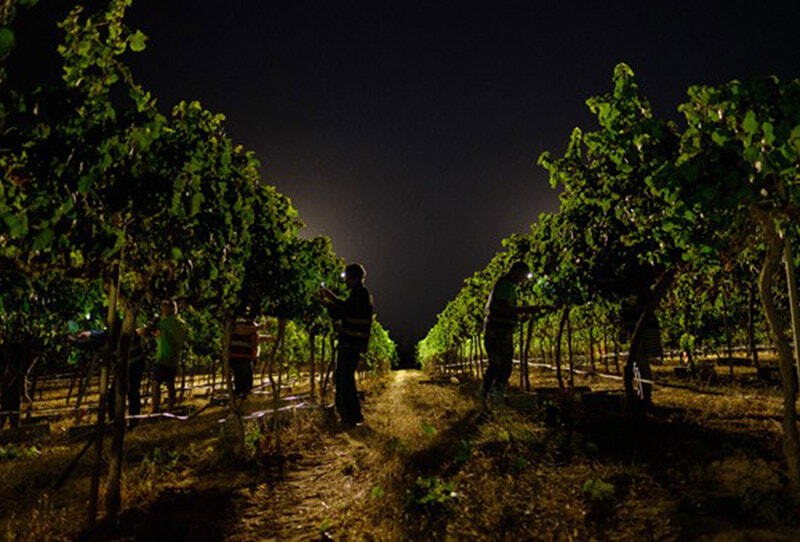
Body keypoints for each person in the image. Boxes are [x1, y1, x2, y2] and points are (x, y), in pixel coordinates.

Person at [482, 261, 545, 408]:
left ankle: (489, 396)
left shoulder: (506, 285)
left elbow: (504, 309)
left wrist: (518, 318)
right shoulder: (505, 285)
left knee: (498, 365)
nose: (523, 281)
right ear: (517, 272)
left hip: (499, 329)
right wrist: (528, 309)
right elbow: (504, 308)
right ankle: (492, 397)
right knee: (501, 365)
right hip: (498, 332)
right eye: (524, 276)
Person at [320, 263, 373, 427]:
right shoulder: (361, 294)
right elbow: (345, 308)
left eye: (347, 278)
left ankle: (349, 417)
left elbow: (342, 311)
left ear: (354, 278)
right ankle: (353, 416)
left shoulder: (359, 295)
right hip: (352, 344)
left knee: (344, 380)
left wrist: (326, 302)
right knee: (345, 379)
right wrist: (330, 296)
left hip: (350, 344)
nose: (346, 282)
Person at [227, 313, 271, 405]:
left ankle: (243, 399)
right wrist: (261, 326)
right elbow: (243, 330)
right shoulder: (239, 323)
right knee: (241, 377)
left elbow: (255, 338)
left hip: (246, 358)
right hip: (238, 357)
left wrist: (268, 338)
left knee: (246, 378)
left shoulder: (251, 326)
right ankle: (238, 399)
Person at [151, 300, 186, 413]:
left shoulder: (165, 322)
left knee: (156, 384)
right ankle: (169, 409)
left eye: (164, 308)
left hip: (162, 358)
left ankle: (155, 409)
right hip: (173, 359)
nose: (163, 311)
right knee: (170, 385)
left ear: (171, 309)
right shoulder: (180, 323)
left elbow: (151, 329)